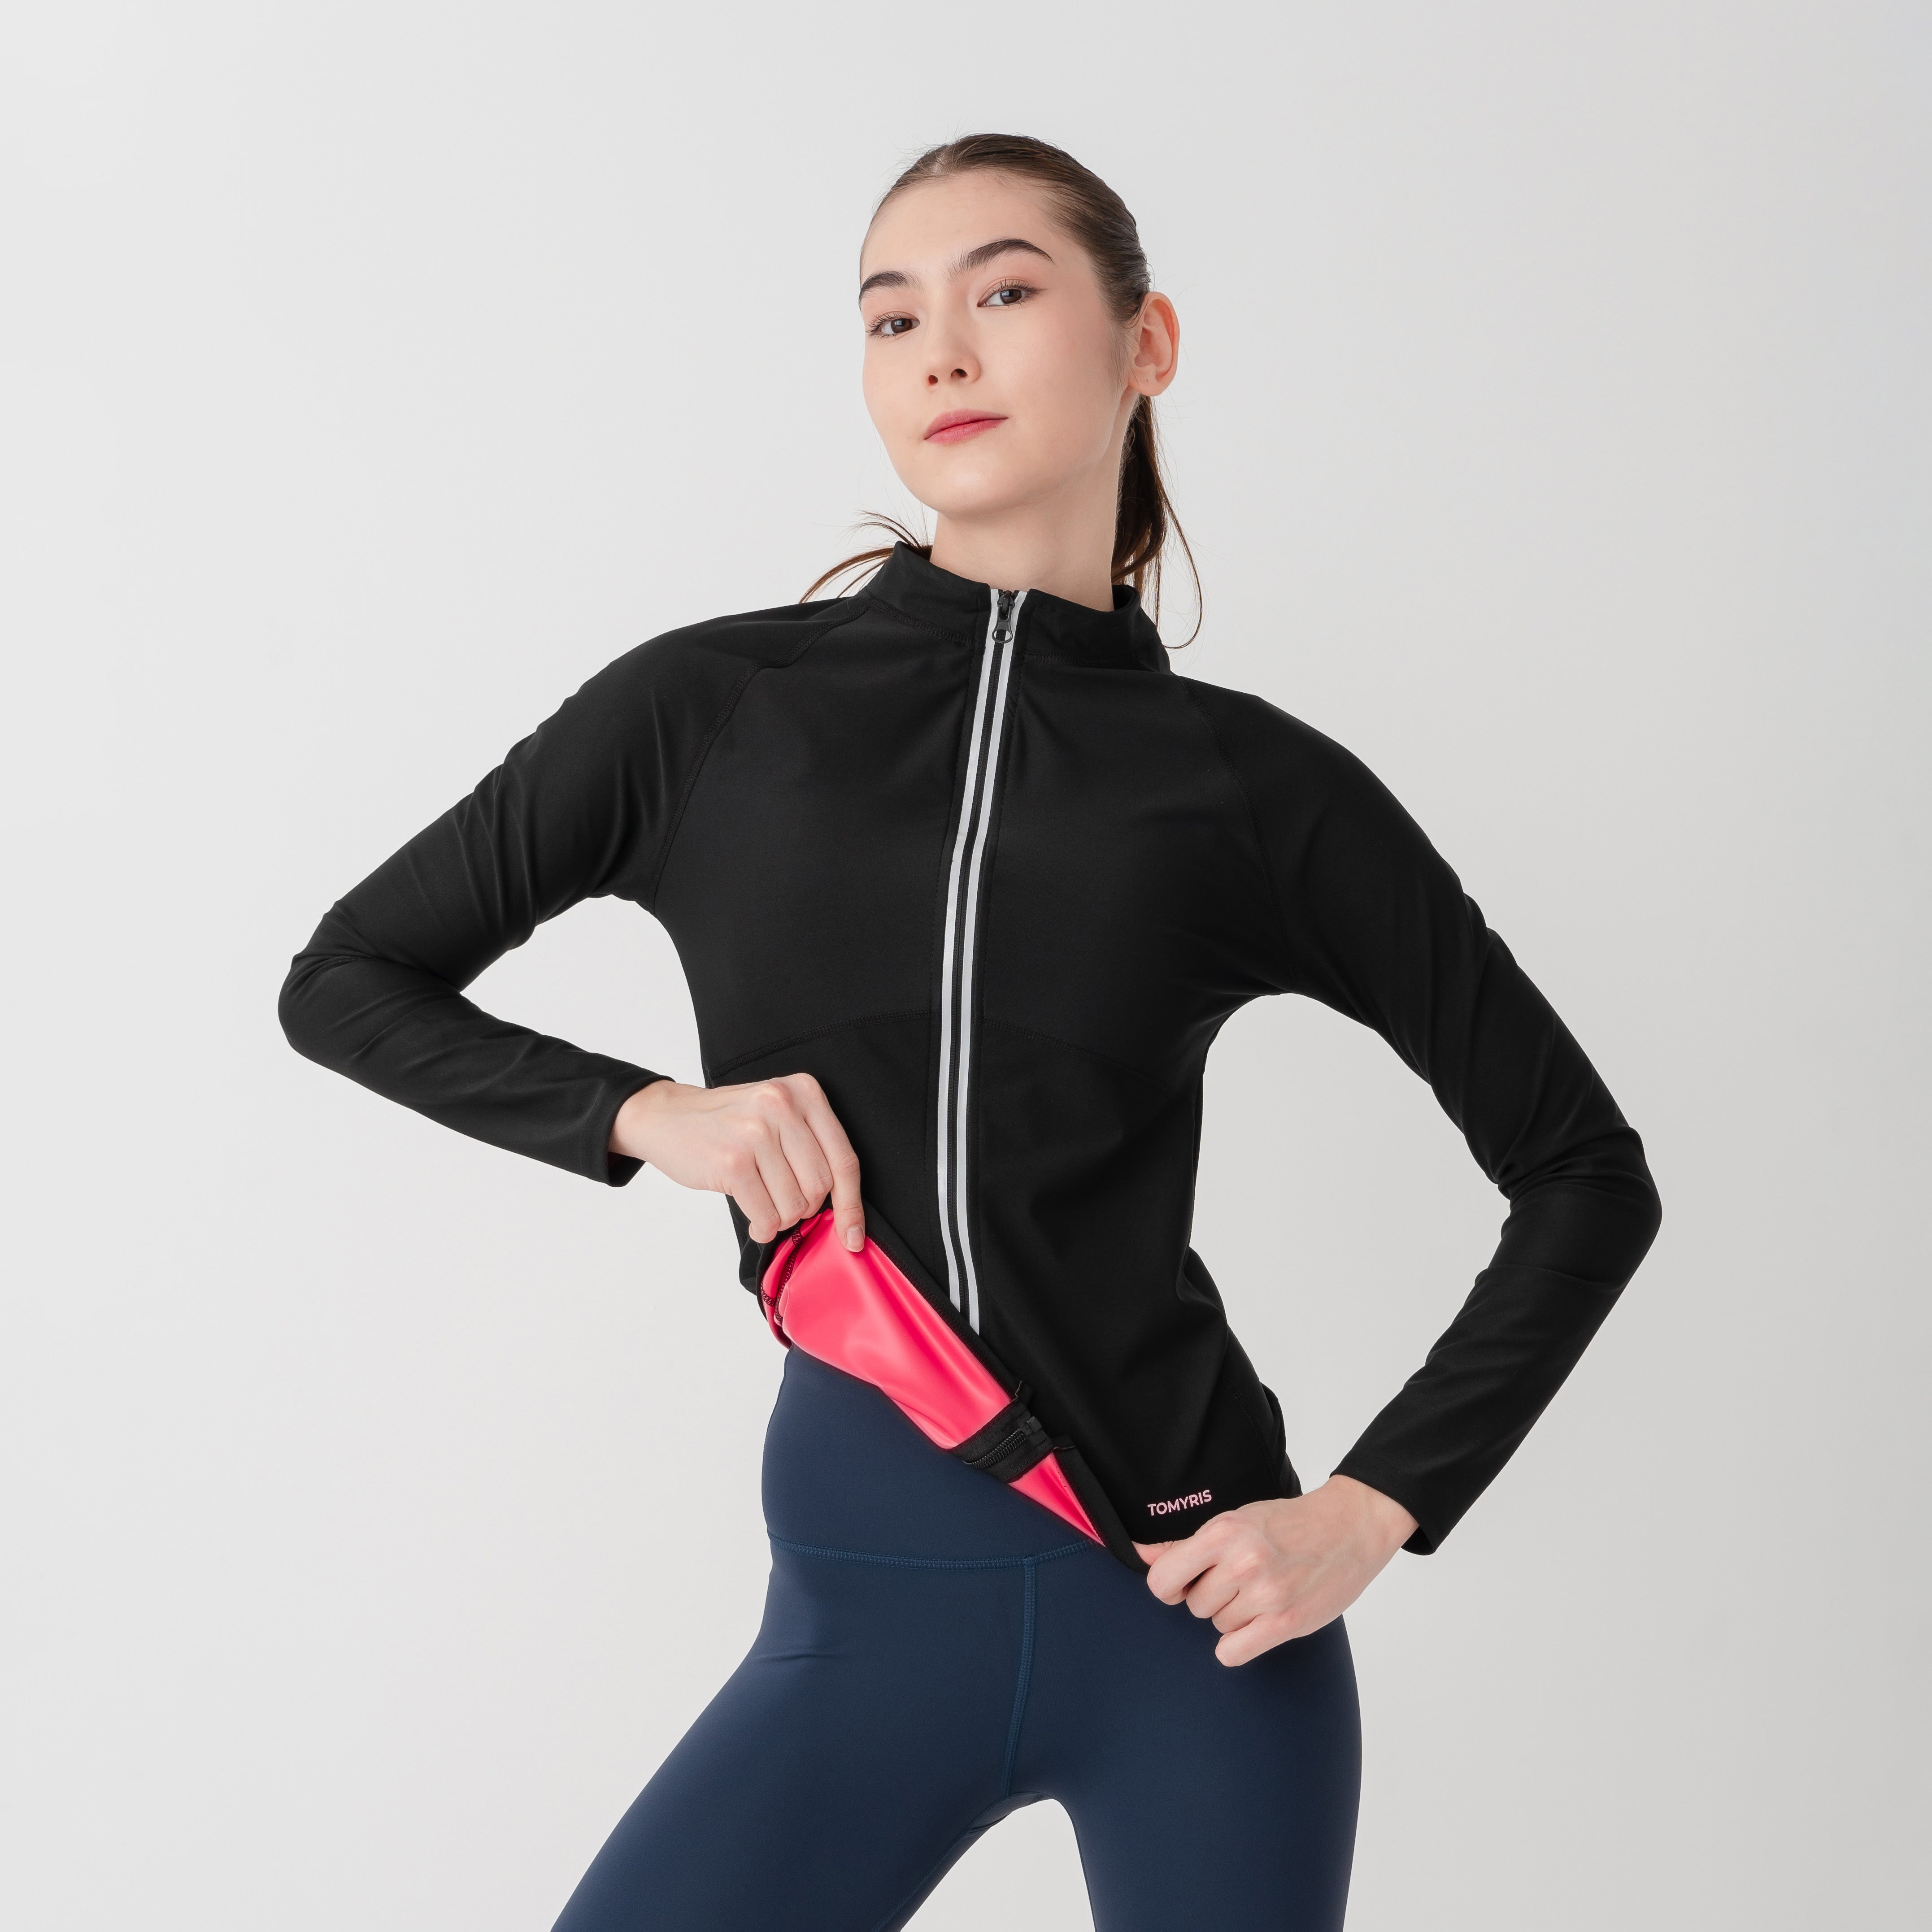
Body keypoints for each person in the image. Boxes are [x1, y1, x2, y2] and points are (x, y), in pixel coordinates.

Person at [279, 133, 1661, 1931]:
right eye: (891, 318)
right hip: (865, 1617)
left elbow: (1583, 1173)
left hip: (1202, 1626)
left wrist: (1367, 1508)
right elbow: (349, 978)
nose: (941, 350)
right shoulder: (708, 711)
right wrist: (644, 1112)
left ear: (1146, 341)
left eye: (1004, 291)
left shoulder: (1255, 788)